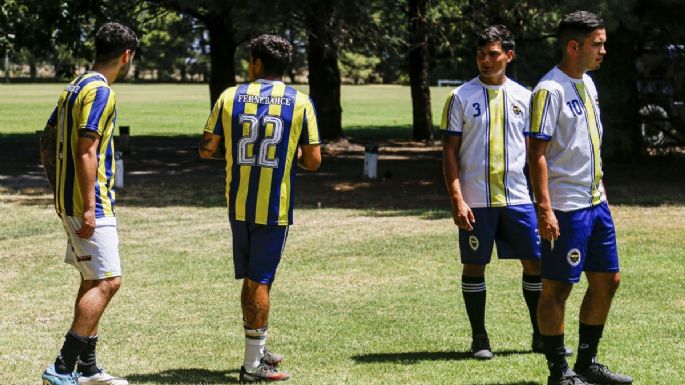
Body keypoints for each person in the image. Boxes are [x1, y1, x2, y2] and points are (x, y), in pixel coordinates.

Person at [440, 25, 572, 359]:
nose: (485, 60)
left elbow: (537, 153)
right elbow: (449, 153)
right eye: (481, 54)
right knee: (474, 266)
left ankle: (541, 335)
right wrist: (456, 197)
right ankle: (480, 338)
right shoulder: (459, 97)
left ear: (509, 56)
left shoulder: (525, 98)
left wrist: (545, 202)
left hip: (517, 198)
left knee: (535, 264)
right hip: (476, 200)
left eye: (493, 54)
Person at [198, 34, 321, 382]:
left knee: (252, 280)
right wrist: (290, 152)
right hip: (274, 208)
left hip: (237, 203)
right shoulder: (300, 102)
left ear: (255, 63)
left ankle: (256, 347)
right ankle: (253, 366)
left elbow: (206, 149)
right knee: (261, 281)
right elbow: (313, 161)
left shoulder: (229, 96)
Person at [527, 11, 633, 385]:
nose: (604, 49)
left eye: (603, 42)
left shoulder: (587, 84)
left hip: (595, 203)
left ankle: (587, 363)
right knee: (557, 288)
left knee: (608, 280)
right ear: (574, 46)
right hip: (565, 208)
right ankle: (560, 372)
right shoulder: (549, 90)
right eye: (597, 44)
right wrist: (544, 208)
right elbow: (536, 154)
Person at [39, 22, 139, 385]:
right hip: (90, 201)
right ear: (126, 55)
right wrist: (86, 207)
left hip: (71, 198)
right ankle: (62, 366)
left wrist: (59, 193)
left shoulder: (74, 86)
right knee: (108, 282)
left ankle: (88, 368)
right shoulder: (100, 92)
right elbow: (86, 149)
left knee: (92, 278)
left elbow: (47, 142)